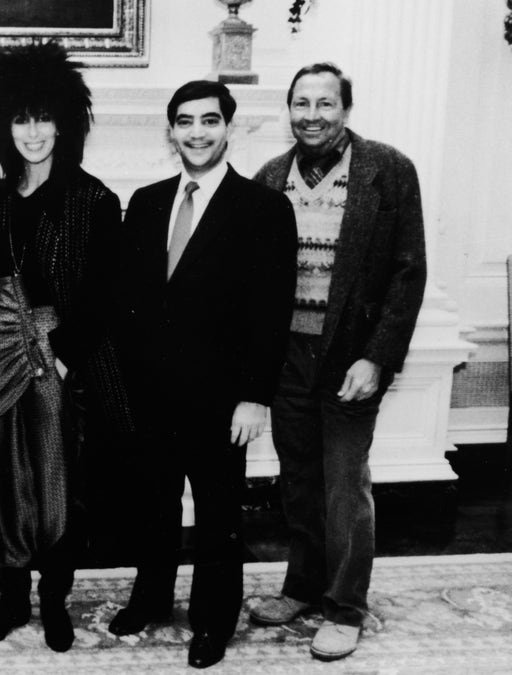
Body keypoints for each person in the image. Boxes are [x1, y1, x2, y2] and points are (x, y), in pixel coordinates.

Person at [106, 80, 297, 669]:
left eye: (209, 121)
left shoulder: (263, 208)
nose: (196, 132)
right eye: (184, 122)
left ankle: (213, 620)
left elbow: (273, 312)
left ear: (229, 128)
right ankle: (153, 600)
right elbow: (128, 301)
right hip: (152, 393)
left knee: (218, 514)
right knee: (154, 504)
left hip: (222, 399)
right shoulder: (145, 201)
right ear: (171, 132)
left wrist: (254, 398)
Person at [248, 63, 427, 662]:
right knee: (298, 481)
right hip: (288, 357)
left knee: (345, 486)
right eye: (302, 103)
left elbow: (408, 273)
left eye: (325, 103)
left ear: (346, 109)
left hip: (351, 356)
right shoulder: (271, 177)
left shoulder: (388, 170)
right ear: (289, 109)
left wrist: (377, 357)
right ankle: (302, 586)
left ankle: (345, 607)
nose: (312, 115)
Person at [0, 42, 121, 654]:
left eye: (43, 116)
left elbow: (106, 294)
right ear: (2, 125)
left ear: (66, 121)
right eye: (20, 118)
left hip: (59, 365)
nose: (32, 132)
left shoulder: (93, 200)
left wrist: (67, 353)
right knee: (2, 481)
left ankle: (54, 599)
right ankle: (12, 595)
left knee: (54, 480)